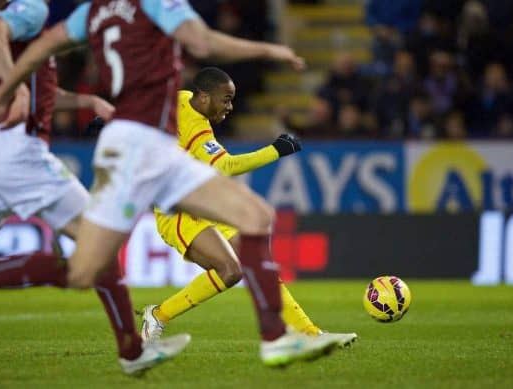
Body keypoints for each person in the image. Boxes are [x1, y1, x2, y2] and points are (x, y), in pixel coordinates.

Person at [0, 0, 348, 369]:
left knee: (254, 218)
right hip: (143, 159)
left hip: (148, 151)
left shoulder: (93, 12)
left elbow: (43, 49)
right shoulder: (155, 5)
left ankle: (281, 336)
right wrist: (268, 51)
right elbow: (203, 43)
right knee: (85, 271)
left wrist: (4, 91)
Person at [0, 0, 188, 376]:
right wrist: (17, 92)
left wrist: (86, 100)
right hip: (21, 153)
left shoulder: (35, 24)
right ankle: (131, 350)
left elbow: (41, 92)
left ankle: (131, 351)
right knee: (101, 243)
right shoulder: (33, 8)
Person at [139, 67, 357, 347]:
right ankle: (158, 315)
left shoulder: (182, 99)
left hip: (203, 204)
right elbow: (225, 165)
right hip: (177, 213)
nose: (230, 107)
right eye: (225, 99)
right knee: (230, 271)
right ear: (203, 98)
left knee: (260, 265)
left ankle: (310, 334)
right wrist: (276, 150)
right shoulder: (199, 132)